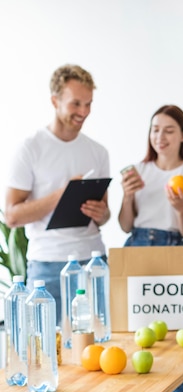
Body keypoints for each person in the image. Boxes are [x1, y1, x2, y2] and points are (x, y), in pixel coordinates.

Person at [118, 104, 183, 392]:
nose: (160, 136)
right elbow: (126, 225)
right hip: (137, 246)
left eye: (169, 130)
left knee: (176, 349)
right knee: (141, 344)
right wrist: (127, 196)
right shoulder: (138, 171)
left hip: (173, 248)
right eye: (155, 129)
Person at [4, 64, 110, 323]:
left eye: (88, 104)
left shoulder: (97, 151)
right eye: (76, 104)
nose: (83, 112)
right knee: (46, 349)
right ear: (55, 100)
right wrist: (63, 194)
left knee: (97, 348)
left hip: (93, 262)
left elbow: (104, 216)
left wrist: (102, 213)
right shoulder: (30, 148)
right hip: (47, 266)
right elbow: (12, 216)